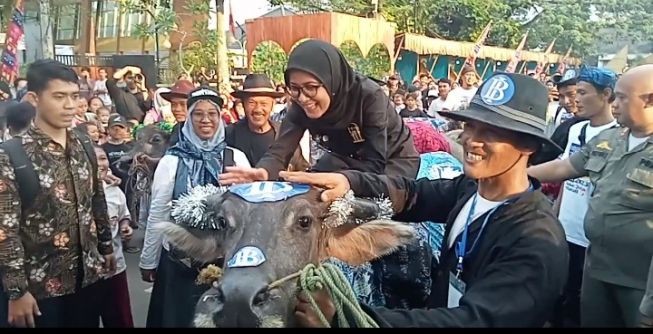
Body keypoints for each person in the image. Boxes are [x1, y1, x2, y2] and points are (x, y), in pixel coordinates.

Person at [283, 72, 569, 327]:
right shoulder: (470, 189)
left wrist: (346, 317)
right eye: (470, 126)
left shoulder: (536, 240)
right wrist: (349, 182)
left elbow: (474, 320)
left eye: (491, 132)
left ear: (529, 145)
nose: (471, 140)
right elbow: (411, 194)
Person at [528, 64, 653, 327]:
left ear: (649, 100)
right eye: (614, 96)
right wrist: (517, 174)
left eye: (622, 97)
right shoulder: (610, 139)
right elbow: (564, 167)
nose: (614, 103)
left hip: (639, 281)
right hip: (596, 268)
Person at [0, 60, 115, 328]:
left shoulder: (84, 142)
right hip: (39, 291)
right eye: (59, 97)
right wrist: (17, 292)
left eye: (74, 96)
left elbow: (96, 197)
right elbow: (5, 231)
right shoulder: (11, 154)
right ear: (34, 99)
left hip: (86, 279)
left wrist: (106, 246)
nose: (69, 105)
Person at [220, 39, 420, 184]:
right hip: (346, 160)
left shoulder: (369, 97)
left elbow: (375, 163)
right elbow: (280, 151)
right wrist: (263, 171)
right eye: (295, 88)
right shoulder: (299, 104)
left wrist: (340, 181)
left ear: (330, 80)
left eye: (311, 87)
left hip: (392, 161)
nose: (304, 98)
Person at [139, 88, 250, 328]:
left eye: (212, 113)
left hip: (226, 263)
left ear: (220, 118)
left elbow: (250, 212)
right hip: (181, 264)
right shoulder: (172, 161)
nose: (205, 119)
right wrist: (149, 260)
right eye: (198, 114)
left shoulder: (236, 159)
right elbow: (158, 213)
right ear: (189, 119)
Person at [551, 67, 618, 328]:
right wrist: (555, 217)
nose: (574, 99)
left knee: (582, 306)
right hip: (565, 229)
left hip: (591, 238)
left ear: (606, 95)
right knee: (559, 295)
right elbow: (566, 175)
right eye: (573, 92)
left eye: (582, 92)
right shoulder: (576, 130)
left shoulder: (619, 135)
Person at [226, 74, 308, 169]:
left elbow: (301, 168)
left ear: (273, 105)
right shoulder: (230, 135)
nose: (258, 109)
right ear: (243, 104)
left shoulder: (284, 133)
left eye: (264, 104)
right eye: (251, 103)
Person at [94, 146, 134, 328]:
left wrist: (125, 227)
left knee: (120, 318)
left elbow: (124, 215)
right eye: (94, 159)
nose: (100, 163)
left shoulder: (114, 190)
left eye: (103, 158)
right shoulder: (73, 192)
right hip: (87, 272)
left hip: (115, 267)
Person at [101, 115, 133, 193]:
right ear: (108, 130)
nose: (117, 130)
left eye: (121, 127)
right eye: (113, 128)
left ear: (126, 130)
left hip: (130, 186)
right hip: (111, 186)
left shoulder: (131, 147)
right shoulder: (102, 149)